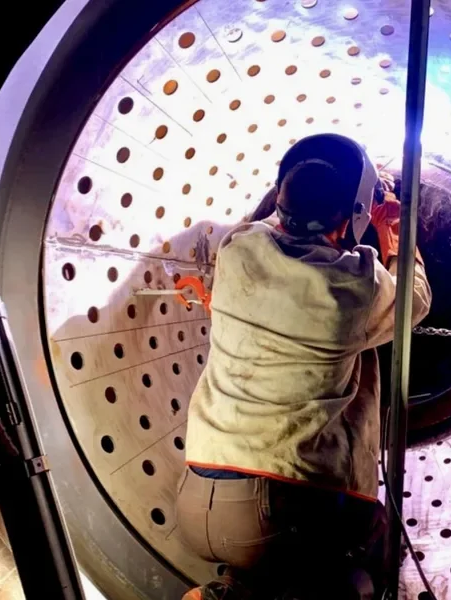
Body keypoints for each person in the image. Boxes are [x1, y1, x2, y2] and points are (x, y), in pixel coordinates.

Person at [176, 133, 432, 600]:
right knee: (356, 582)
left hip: (197, 504)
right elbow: (413, 302)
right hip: (285, 509)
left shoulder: (235, 251)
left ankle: (227, 593)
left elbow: (264, 227)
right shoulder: (354, 284)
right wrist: (394, 235)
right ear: (351, 215)